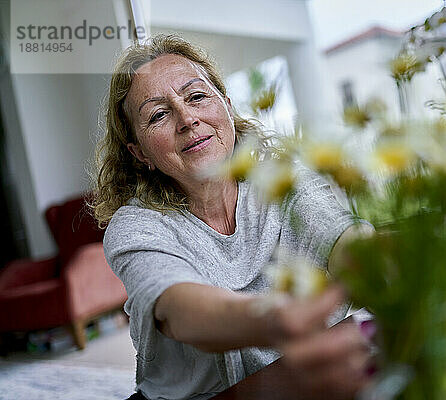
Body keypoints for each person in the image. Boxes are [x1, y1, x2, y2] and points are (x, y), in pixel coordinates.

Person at [93, 34, 373, 400]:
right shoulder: (134, 226)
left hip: (309, 382)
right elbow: (180, 310)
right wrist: (276, 318)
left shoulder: (284, 179)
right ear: (139, 152)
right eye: (159, 114)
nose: (188, 118)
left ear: (226, 106)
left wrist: (389, 264)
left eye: (196, 96)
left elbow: (344, 240)